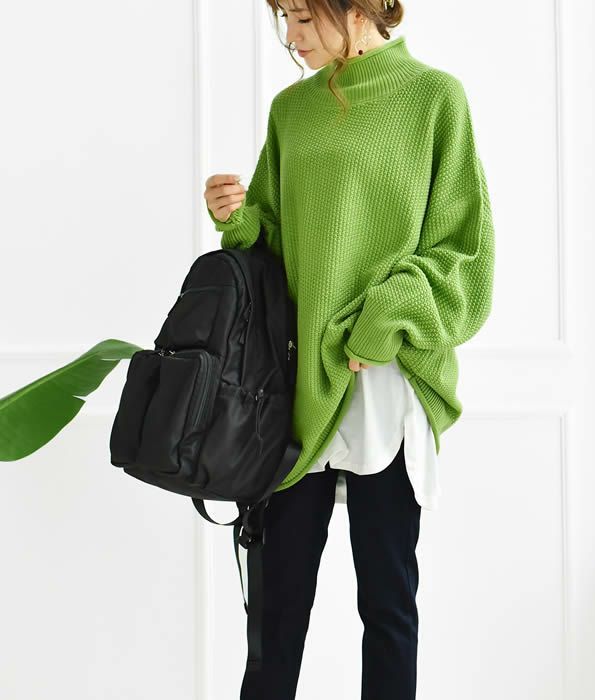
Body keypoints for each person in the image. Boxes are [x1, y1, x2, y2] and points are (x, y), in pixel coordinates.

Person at [203, 1, 495, 697]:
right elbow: (273, 252)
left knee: (387, 604)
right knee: (276, 613)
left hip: (388, 386)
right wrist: (237, 220)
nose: (291, 37)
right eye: (285, 19)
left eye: (305, 18)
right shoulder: (292, 112)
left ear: (356, 8)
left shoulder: (434, 99)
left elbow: (464, 252)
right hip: (296, 390)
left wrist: (383, 321)